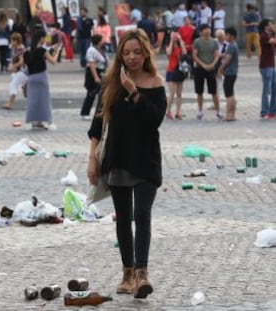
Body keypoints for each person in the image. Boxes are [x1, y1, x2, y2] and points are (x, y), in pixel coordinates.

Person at [87, 29, 166, 299]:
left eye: (137, 52)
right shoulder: (110, 82)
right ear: (120, 54)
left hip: (146, 160)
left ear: (145, 53)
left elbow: (154, 119)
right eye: (126, 52)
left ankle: (142, 274)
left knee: (142, 214)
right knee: (123, 218)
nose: (132, 57)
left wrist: (134, 92)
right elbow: (98, 124)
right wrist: (92, 160)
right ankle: (127, 272)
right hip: (118, 158)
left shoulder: (155, 83)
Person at [23, 29, 62, 130]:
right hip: (42, 77)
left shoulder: (27, 52)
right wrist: (57, 51)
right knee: (44, 101)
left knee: (33, 101)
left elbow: (28, 63)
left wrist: (51, 49)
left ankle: (34, 121)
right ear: (41, 38)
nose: (45, 40)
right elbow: (53, 61)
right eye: (44, 38)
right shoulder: (42, 51)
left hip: (31, 78)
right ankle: (47, 120)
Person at [192, 24, 222, 120]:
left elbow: (217, 54)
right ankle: (200, 110)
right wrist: (203, 64)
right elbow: (194, 55)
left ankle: (218, 111)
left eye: (208, 29)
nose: (207, 31)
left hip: (211, 68)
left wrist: (213, 64)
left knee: (214, 91)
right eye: (205, 29)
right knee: (199, 91)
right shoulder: (197, 42)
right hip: (199, 68)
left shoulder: (214, 42)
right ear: (201, 32)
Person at [80, 34, 108, 120]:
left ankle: (101, 112)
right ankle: (85, 112)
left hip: (101, 72)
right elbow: (91, 65)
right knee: (91, 93)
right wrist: (95, 77)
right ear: (98, 41)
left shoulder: (101, 49)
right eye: (101, 40)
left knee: (102, 94)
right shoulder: (91, 50)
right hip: (93, 73)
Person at [217, 27, 238, 121]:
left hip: (229, 72)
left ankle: (228, 114)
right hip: (233, 72)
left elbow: (228, 59)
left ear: (232, 36)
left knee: (228, 95)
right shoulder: (234, 45)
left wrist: (221, 69)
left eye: (227, 35)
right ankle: (232, 114)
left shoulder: (231, 46)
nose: (225, 37)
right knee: (232, 94)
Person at [2, 33, 27, 110]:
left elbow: (22, 61)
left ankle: (10, 103)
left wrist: (13, 67)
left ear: (17, 41)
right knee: (25, 89)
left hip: (23, 71)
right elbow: (13, 59)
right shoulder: (15, 48)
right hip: (21, 71)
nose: (11, 42)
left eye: (13, 41)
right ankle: (31, 104)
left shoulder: (20, 49)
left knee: (13, 85)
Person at [165, 31, 186, 120]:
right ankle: (168, 111)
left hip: (180, 70)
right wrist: (171, 41)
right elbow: (169, 53)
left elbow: (184, 53)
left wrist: (180, 41)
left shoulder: (181, 45)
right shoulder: (169, 46)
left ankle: (178, 111)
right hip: (171, 70)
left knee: (179, 93)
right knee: (172, 93)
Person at [258, 19, 276, 119]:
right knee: (267, 90)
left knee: (274, 89)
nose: (272, 25)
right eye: (270, 24)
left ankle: (272, 111)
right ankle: (264, 111)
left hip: (272, 66)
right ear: (265, 26)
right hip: (266, 66)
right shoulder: (263, 36)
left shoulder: (270, 35)